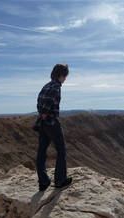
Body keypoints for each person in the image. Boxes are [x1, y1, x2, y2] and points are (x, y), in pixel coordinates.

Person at [36, 63, 72, 191]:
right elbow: (47, 105)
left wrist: (42, 116)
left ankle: (43, 181)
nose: (65, 79)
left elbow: (39, 102)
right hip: (52, 123)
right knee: (61, 151)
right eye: (65, 76)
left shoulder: (46, 85)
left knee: (41, 152)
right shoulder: (56, 86)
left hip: (43, 124)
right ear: (61, 75)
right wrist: (45, 115)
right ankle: (60, 180)